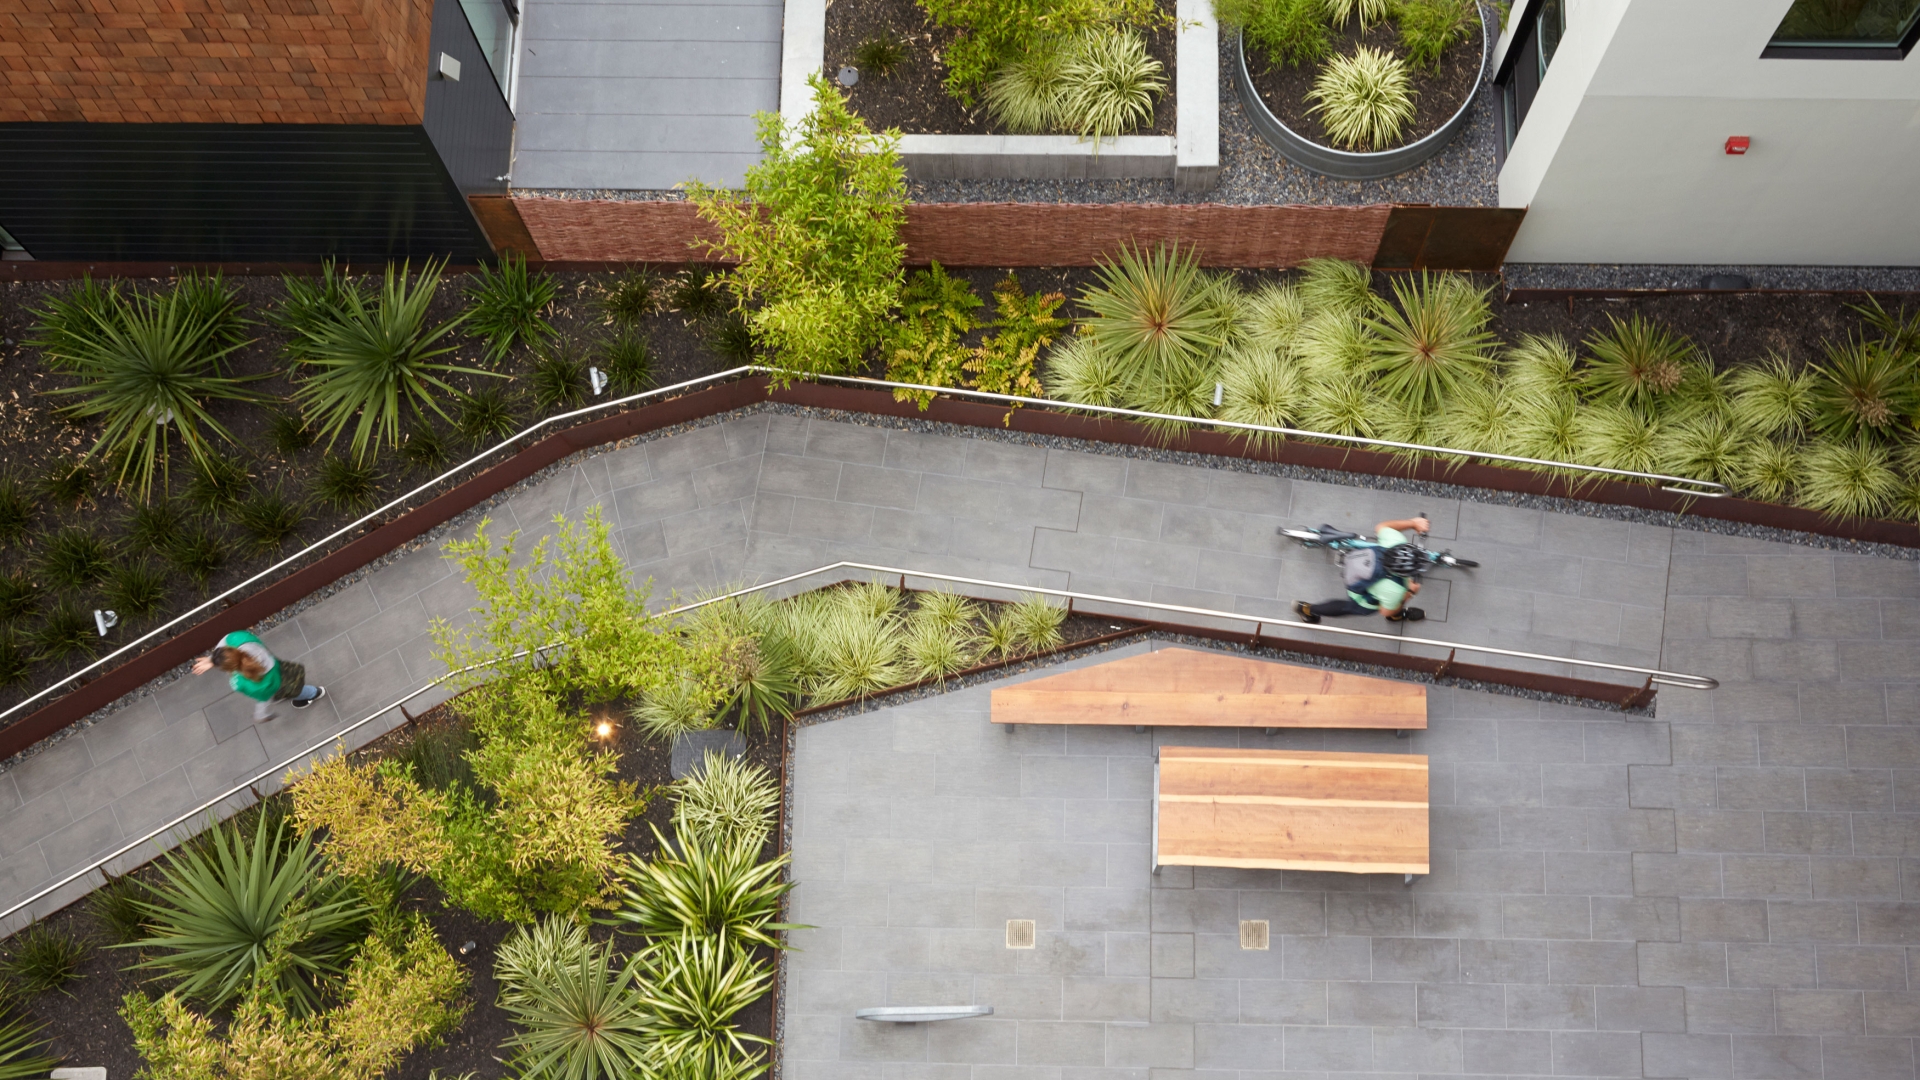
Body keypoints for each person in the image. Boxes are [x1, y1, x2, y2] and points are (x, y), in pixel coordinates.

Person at [1293, 516, 1431, 624]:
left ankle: (1306, 609)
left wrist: (1413, 523)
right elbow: (1385, 612)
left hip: (1358, 561)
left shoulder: (1396, 541)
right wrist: (1409, 593)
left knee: (1392, 599)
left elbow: (1381, 527)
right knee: (1353, 608)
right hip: (1359, 595)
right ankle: (1307, 609)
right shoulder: (1395, 589)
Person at [190, 629, 326, 722]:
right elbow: (226, 640)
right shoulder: (241, 639)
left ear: (230, 669)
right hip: (279, 669)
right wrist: (213, 659)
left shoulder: (239, 683)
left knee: (295, 691)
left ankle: (315, 693)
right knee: (292, 688)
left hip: (278, 686)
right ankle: (313, 692)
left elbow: (264, 698)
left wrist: (261, 715)